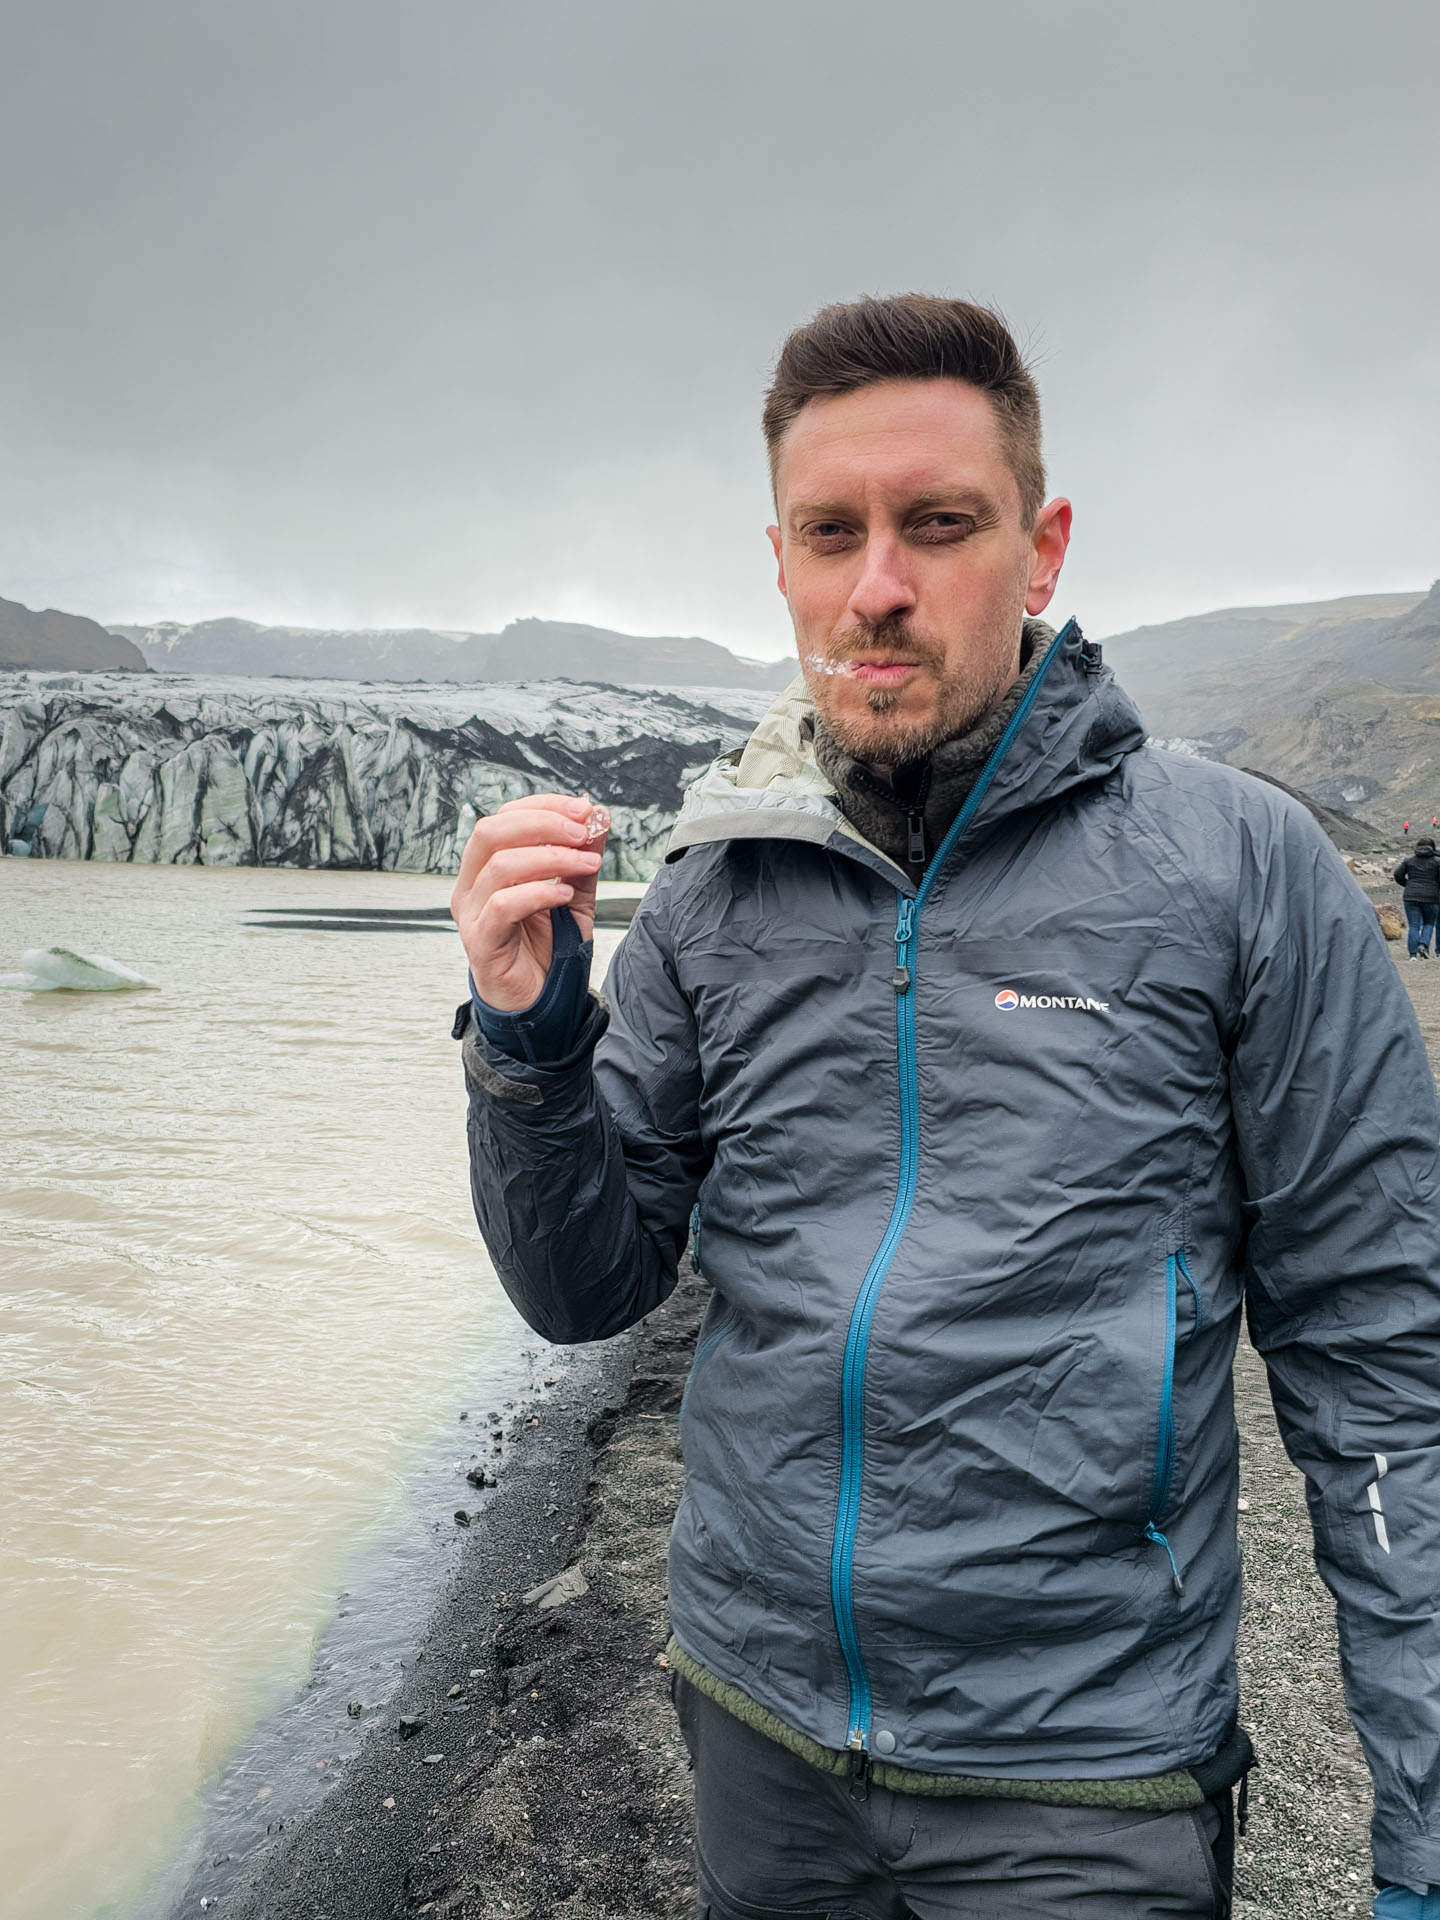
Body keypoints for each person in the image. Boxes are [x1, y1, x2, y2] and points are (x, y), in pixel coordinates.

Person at [450, 296, 1440, 1919]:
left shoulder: (1237, 871)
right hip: (757, 1730)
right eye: (831, 533)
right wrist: (527, 1042)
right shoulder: (714, 890)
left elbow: (1387, 1372)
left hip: (1083, 1779)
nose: (879, 586)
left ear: (1042, 551)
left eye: (939, 525)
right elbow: (586, 1290)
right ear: (779, 559)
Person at [1394, 836, 1440, 959]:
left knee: (1414, 925)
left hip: (1410, 896)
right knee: (1429, 923)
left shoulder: (1408, 861)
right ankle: (1423, 945)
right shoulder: (1437, 861)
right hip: (1431, 896)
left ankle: (1412, 954)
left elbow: (1397, 875)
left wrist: (1407, 884)